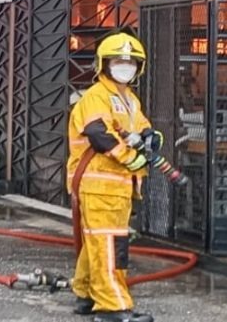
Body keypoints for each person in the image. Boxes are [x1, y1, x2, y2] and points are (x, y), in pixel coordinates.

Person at [66, 29, 159, 322]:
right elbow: (99, 135)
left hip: (117, 188)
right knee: (109, 245)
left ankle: (85, 294)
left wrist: (152, 138)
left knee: (98, 241)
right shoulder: (96, 96)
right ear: (104, 64)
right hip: (98, 185)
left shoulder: (129, 99)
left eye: (131, 62)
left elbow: (144, 128)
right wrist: (132, 159)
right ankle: (112, 307)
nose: (125, 66)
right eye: (119, 60)